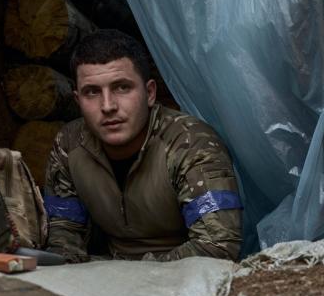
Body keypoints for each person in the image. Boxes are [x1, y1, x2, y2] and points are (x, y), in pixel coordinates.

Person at [43, 30, 243, 262]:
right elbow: (64, 235)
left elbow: (218, 246)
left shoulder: (190, 144)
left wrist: (134, 275)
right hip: (107, 272)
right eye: (92, 92)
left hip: (184, 274)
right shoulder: (69, 144)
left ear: (149, 93)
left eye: (122, 87)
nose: (108, 106)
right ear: (78, 101)